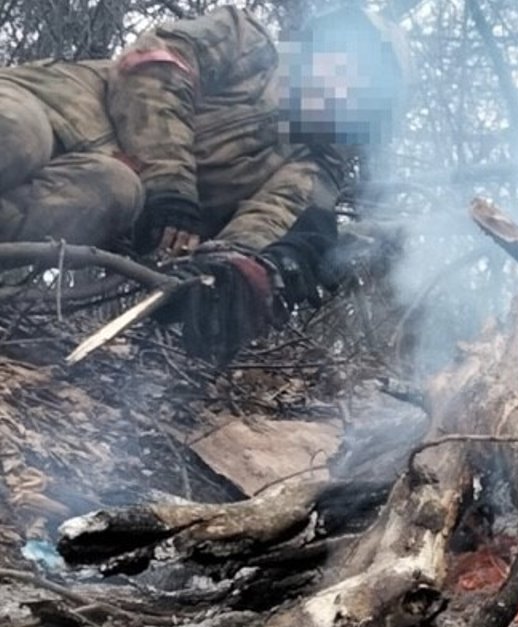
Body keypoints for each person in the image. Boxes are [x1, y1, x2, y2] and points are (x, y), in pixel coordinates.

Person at [0, 5, 410, 362]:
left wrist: (227, 278)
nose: (342, 87)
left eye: (362, 89)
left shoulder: (310, 169)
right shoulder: (246, 41)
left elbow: (259, 231)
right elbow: (151, 65)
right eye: (344, 64)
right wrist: (171, 184)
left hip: (105, 175)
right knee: (20, 135)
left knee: (114, 189)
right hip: (50, 104)